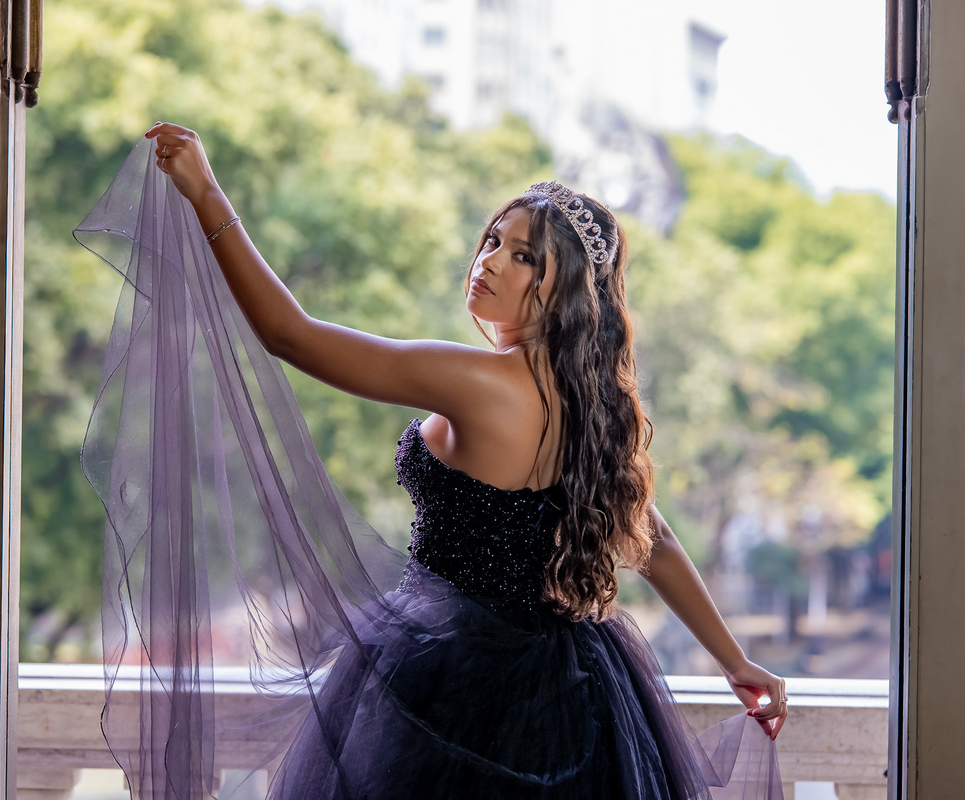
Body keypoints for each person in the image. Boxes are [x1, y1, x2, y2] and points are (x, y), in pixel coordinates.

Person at [81, 121, 786, 799]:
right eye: (492, 241)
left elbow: (290, 336)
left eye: (523, 257)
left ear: (564, 286)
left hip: (451, 682)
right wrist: (735, 662)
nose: (489, 262)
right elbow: (652, 538)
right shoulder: (588, 406)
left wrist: (209, 198)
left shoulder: (482, 383)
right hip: (576, 685)